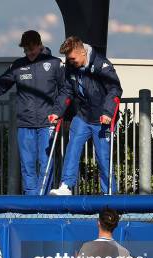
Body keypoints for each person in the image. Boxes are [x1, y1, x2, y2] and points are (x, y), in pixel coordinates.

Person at [0, 30, 69, 195]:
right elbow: (0, 84)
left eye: (32, 49)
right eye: (26, 50)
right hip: (25, 123)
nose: (29, 53)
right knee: (27, 164)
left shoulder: (54, 64)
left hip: (48, 122)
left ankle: (43, 198)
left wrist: (59, 112)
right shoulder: (17, 65)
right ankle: (31, 198)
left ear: (40, 45)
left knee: (45, 162)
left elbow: (66, 90)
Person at [49, 36, 122, 196]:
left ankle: (109, 192)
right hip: (83, 115)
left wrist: (108, 113)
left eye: (73, 58)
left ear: (82, 52)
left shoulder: (102, 65)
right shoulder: (71, 66)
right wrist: (57, 111)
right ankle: (66, 186)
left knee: (103, 156)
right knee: (73, 146)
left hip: (103, 118)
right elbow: (67, 90)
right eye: (69, 59)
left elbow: (115, 89)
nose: (71, 61)